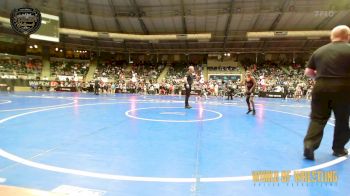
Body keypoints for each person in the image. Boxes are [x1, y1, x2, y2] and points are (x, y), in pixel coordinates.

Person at [303, 25, 350, 160]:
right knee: (342, 120)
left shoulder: (319, 51)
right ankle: (339, 149)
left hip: (321, 87)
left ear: (332, 36)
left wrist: (320, 77)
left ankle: (309, 145)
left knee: (317, 118)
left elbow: (308, 72)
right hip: (344, 89)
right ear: (347, 36)